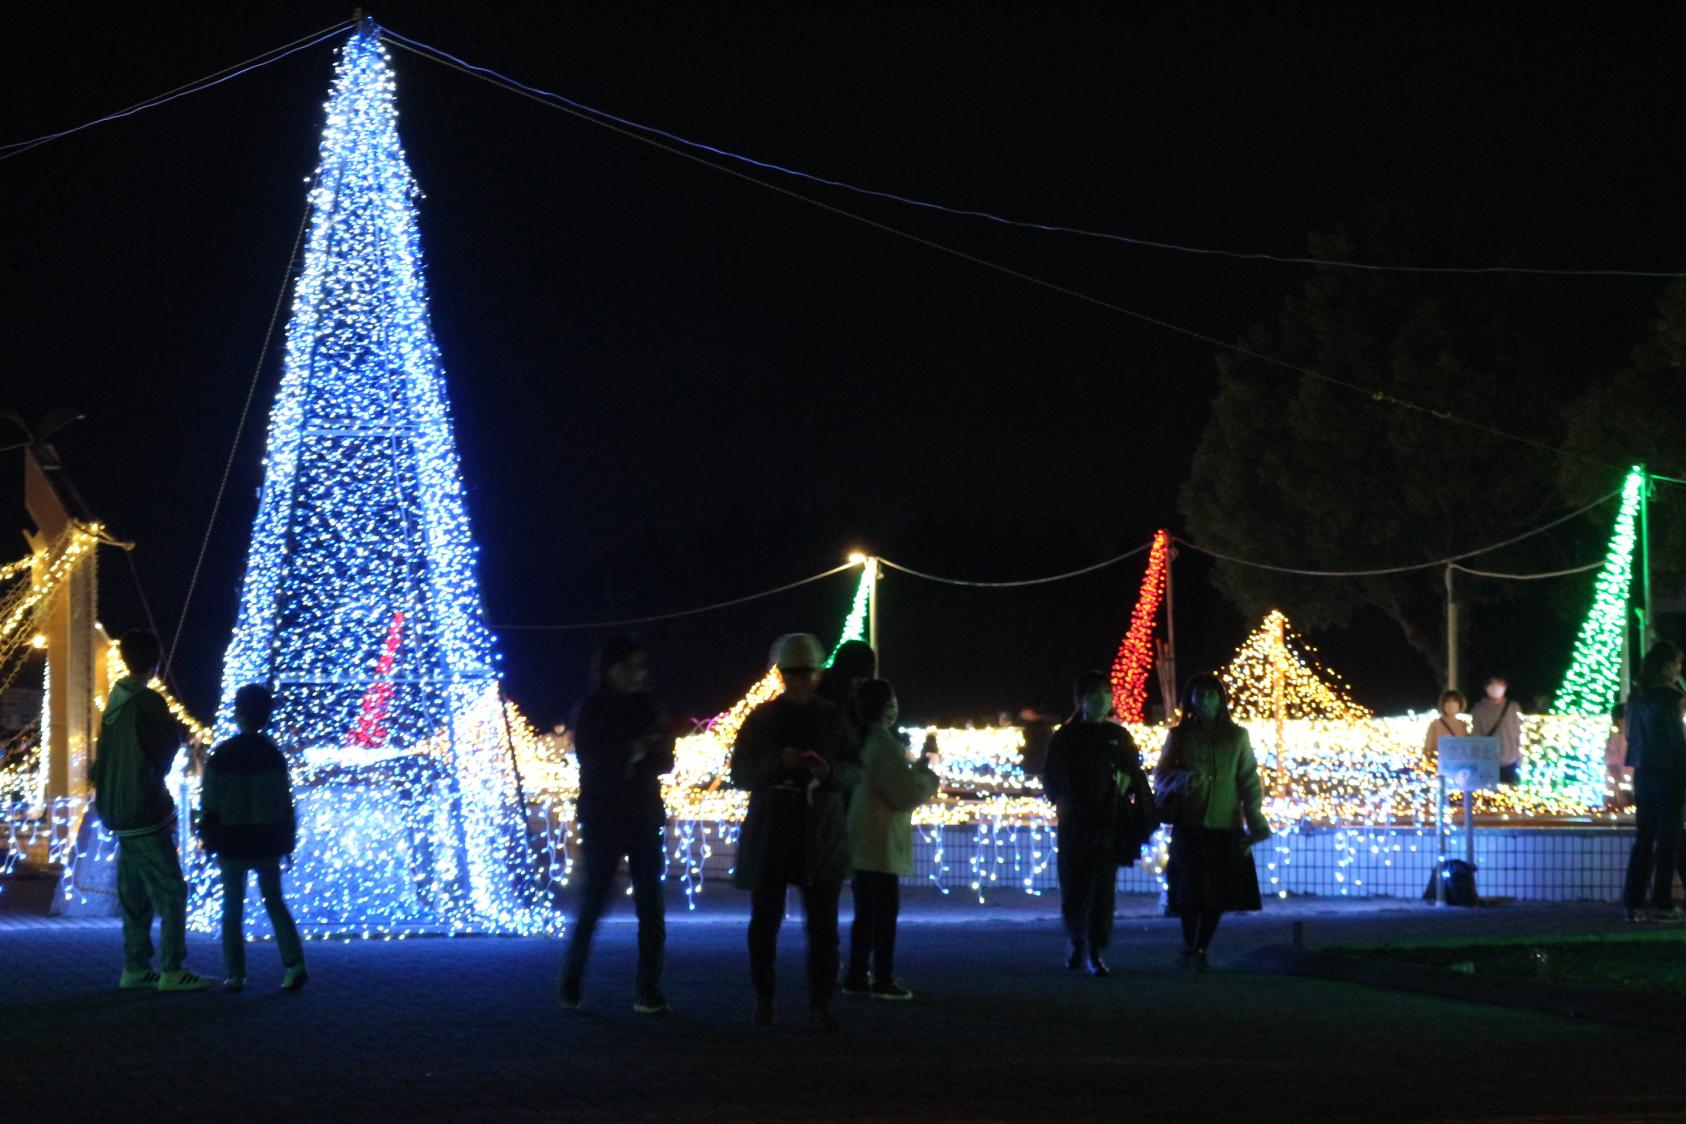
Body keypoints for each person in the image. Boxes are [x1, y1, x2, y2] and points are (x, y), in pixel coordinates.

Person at [730, 633, 858, 1032]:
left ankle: (818, 1003)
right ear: (783, 674)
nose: (800, 681)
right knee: (766, 923)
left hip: (814, 832)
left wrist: (828, 773)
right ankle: (767, 998)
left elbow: (855, 772)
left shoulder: (833, 718)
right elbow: (740, 773)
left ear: (817, 674)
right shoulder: (763, 718)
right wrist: (778, 764)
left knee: (821, 928)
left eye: (806, 673)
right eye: (793, 674)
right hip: (784, 831)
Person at [559, 634, 677, 1014]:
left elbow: (664, 761)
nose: (636, 674)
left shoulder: (650, 706)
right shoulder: (592, 709)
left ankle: (648, 986)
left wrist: (635, 754)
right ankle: (572, 980)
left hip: (641, 814)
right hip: (605, 815)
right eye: (628, 666)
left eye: (640, 667)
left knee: (650, 905)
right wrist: (634, 751)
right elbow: (591, 760)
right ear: (608, 669)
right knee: (595, 901)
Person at [90, 629, 211, 991]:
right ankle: (173, 968)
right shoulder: (147, 703)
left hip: (118, 810)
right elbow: (167, 748)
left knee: (134, 890)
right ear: (155, 662)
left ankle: (136, 965)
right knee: (171, 888)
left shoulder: (114, 704)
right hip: (145, 808)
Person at [1154, 673, 1270, 970]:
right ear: (1190, 699)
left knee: (1217, 893)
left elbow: (1248, 779)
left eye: (1211, 694)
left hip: (1225, 824)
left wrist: (1255, 820)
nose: (1205, 700)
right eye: (1199, 695)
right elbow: (1162, 774)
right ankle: (1189, 945)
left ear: (1221, 698)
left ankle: (1201, 948)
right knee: (1190, 892)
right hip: (1189, 823)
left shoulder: (1237, 736)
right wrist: (1185, 779)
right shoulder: (1179, 735)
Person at [198, 684, 306, 992]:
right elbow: (285, 802)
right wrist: (287, 839)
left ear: (237, 713)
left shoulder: (222, 755)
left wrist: (208, 836)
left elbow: (209, 802)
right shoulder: (273, 755)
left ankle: (235, 973)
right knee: (275, 901)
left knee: (232, 906)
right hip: (267, 837)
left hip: (232, 839)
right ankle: (294, 963)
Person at [842, 679, 940, 1001]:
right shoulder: (883, 744)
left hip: (863, 839)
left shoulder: (865, 741)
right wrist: (927, 776)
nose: (896, 706)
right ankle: (882, 978)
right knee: (884, 912)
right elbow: (904, 793)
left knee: (866, 913)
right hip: (879, 841)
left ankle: (857, 975)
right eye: (892, 700)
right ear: (884, 707)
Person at [1041, 670, 1140, 977]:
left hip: (1107, 821)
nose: (1100, 701)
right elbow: (1051, 778)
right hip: (1075, 822)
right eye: (1093, 695)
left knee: (1103, 888)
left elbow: (1135, 775)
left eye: (1105, 694)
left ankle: (1095, 949)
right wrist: (1066, 798)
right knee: (1074, 883)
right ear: (1081, 700)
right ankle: (1075, 938)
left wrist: (1123, 784)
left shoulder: (1119, 736)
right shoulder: (1066, 736)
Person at [1623, 642, 1686, 921]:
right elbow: (1676, 741)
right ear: (1665, 666)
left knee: (1644, 837)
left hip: (1643, 773)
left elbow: (1630, 735)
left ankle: (1633, 904)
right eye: (1676, 663)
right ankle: (1663, 903)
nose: (1679, 668)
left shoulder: (1637, 695)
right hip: (1669, 774)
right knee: (1668, 838)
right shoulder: (1668, 697)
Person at [818, 639, 877, 746]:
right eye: (855, 677)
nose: (858, 683)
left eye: (863, 678)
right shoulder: (820, 696)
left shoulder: (854, 699)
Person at [1470, 675, 1523, 785]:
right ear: (1485, 688)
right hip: (1487, 763)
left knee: (1510, 797)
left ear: (1505, 686)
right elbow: (1476, 735)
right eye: (1491, 684)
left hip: (1510, 761)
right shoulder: (1478, 709)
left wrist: (1520, 758)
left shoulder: (1514, 707)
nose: (1495, 687)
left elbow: (1519, 733)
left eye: (1499, 684)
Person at [1422, 690, 1469, 772]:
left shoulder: (1463, 725)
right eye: (1448, 701)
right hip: (1440, 767)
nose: (1451, 704)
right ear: (1443, 705)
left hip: (1459, 768)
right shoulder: (1435, 724)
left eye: (1455, 701)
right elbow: (1428, 748)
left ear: (1460, 704)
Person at [1605, 702, 1632, 810]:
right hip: (1620, 791)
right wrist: (1619, 788)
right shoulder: (1615, 739)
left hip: (1634, 788)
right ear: (1621, 721)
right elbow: (1612, 766)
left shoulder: (1634, 739)